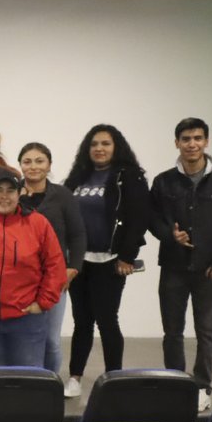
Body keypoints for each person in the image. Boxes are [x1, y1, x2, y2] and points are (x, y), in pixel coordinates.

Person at [149, 117, 212, 412]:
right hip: (173, 267)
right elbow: (151, 219)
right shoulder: (163, 180)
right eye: (186, 139)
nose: (192, 144)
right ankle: (175, 383)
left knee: (206, 331)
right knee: (172, 331)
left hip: (209, 270)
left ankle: (202, 386)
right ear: (176, 142)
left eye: (198, 138)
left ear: (206, 141)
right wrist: (170, 235)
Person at [63, 124, 150, 399]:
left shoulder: (129, 177)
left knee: (107, 321)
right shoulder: (78, 177)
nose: (99, 149)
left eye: (105, 144)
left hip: (111, 261)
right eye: (94, 144)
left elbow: (138, 218)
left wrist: (127, 255)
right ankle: (75, 377)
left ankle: (114, 377)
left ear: (116, 147)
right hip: (79, 261)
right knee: (81, 321)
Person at [0, 170, 66, 367]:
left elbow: (55, 266)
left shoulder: (38, 223)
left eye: (10, 190)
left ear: (20, 194)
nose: (4, 196)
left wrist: (42, 303)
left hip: (26, 321)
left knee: (28, 382)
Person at [18, 142, 86, 376]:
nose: (33, 166)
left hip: (54, 277)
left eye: (39, 161)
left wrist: (73, 268)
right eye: (27, 161)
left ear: (49, 165)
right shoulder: (13, 194)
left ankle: (50, 384)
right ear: (20, 165)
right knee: (25, 336)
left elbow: (77, 234)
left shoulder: (62, 195)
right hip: (21, 278)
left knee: (51, 339)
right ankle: (29, 381)